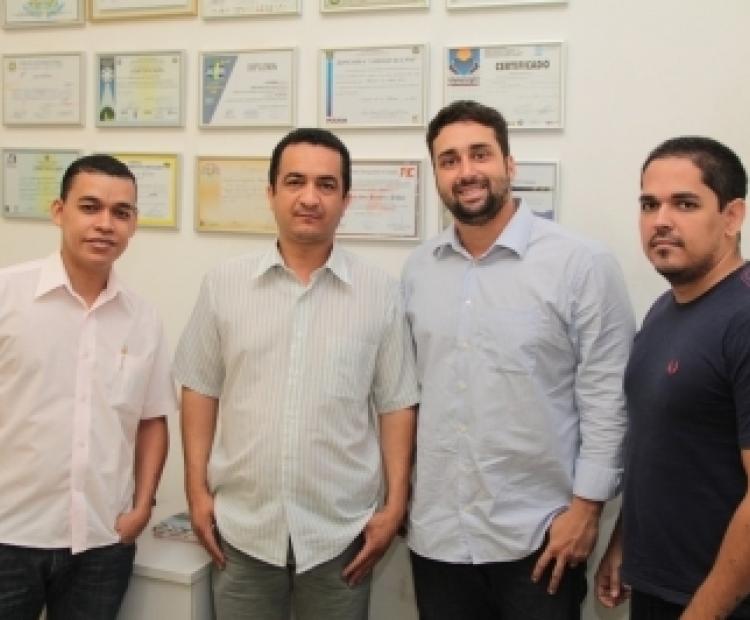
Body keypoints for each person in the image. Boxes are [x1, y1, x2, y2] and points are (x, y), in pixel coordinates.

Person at [402, 100, 635, 619]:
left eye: (480, 154)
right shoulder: (419, 270)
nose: (466, 171)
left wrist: (586, 510)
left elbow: (607, 399)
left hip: (540, 539)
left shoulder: (581, 264)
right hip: (438, 537)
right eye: (449, 160)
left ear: (509, 163)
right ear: (437, 175)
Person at [174, 128, 418, 620]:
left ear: (346, 200)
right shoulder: (224, 285)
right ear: (271, 193)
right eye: (295, 182)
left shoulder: (380, 293)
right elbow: (200, 388)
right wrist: (196, 491)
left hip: (341, 536)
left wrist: (395, 505)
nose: (310, 198)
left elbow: (397, 403)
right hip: (242, 531)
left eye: (326, 185)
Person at [0, 154, 174, 620]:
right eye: (90, 207)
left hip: (101, 541)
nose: (105, 224)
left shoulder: (143, 318)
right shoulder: (7, 296)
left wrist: (142, 507)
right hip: (8, 535)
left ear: (134, 224)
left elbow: (152, 420)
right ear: (59, 211)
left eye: (121, 212)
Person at [595, 136, 750, 619]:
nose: (661, 220)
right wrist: (624, 540)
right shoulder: (665, 308)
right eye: (649, 204)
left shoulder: (744, 318)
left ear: (732, 216)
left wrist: (704, 611)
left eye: (685, 204)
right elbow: (662, 443)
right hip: (660, 587)